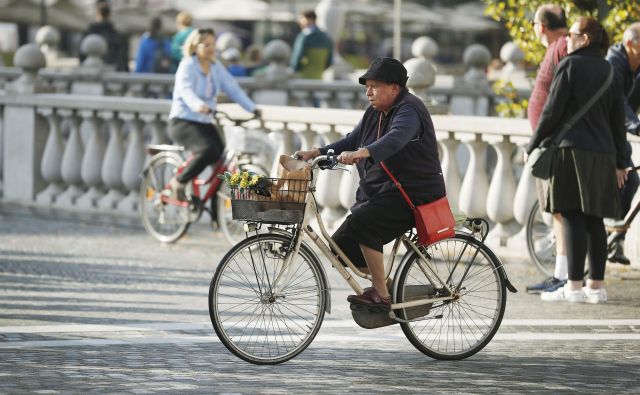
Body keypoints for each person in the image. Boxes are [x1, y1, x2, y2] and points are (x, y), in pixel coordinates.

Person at [294, 57, 446, 308]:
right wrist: (317, 151)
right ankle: (388, 285)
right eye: (367, 86)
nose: (368, 91)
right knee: (339, 248)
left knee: (366, 224)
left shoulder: (409, 109)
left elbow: (396, 139)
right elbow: (351, 140)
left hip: (413, 194)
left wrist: (364, 152)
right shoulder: (374, 112)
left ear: (394, 88)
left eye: (375, 86)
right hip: (385, 193)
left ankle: (382, 294)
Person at [527, 17, 628, 304]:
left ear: (585, 38)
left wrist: (533, 144)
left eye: (571, 34)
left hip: (571, 151)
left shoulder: (569, 65)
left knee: (571, 216)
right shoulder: (609, 69)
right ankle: (596, 287)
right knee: (595, 219)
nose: (566, 39)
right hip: (603, 154)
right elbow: (617, 122)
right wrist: (621, 161)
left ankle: (572, 287)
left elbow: (552, 112)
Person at [168, 28, 260, 199]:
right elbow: (185, 90)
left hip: (205, 121)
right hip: (183, 121)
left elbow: (232, 88)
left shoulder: (216, 66)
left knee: (221, 163)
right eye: (206, 44)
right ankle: (179, 182)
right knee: (208, 150)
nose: (211, 48)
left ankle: (215, 211)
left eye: (213, 44)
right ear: (195, 46)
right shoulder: (187, 65)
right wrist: (198, 105)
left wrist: (252, 108)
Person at [525, 4, 570, 294]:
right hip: (551, 140)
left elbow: (558, 99)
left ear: (540, 27)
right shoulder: (561, 47)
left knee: (559, 211)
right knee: (557, 212)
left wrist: (539, 140)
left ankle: (562, 275)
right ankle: (562, 274)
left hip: (552, 143)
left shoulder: (560, 48)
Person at [604, 22, 640, 265]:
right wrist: (636, 125)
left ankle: (614, 242)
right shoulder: (613, 62)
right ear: (631, 44)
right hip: (603, 132)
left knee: (631, 180)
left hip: (619, 132)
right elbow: (618, 104)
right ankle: (603, 236)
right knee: (621, 180)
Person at [80, 1, 128, 71]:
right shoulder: (118, 36)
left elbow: (81, 58)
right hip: (114, 77)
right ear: (109, 15)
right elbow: (123, 61)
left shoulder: (88, 35)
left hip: (90, 76)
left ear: (97, 14)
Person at [289, 10, 333, 79]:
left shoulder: (304, 36)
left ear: (309, 19)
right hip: (319, 77)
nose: (299, 21)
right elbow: (329, 61)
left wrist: (294, 69)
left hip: (304, 76)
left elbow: (297, 58)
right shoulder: (326, 37)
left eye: (301, 18)